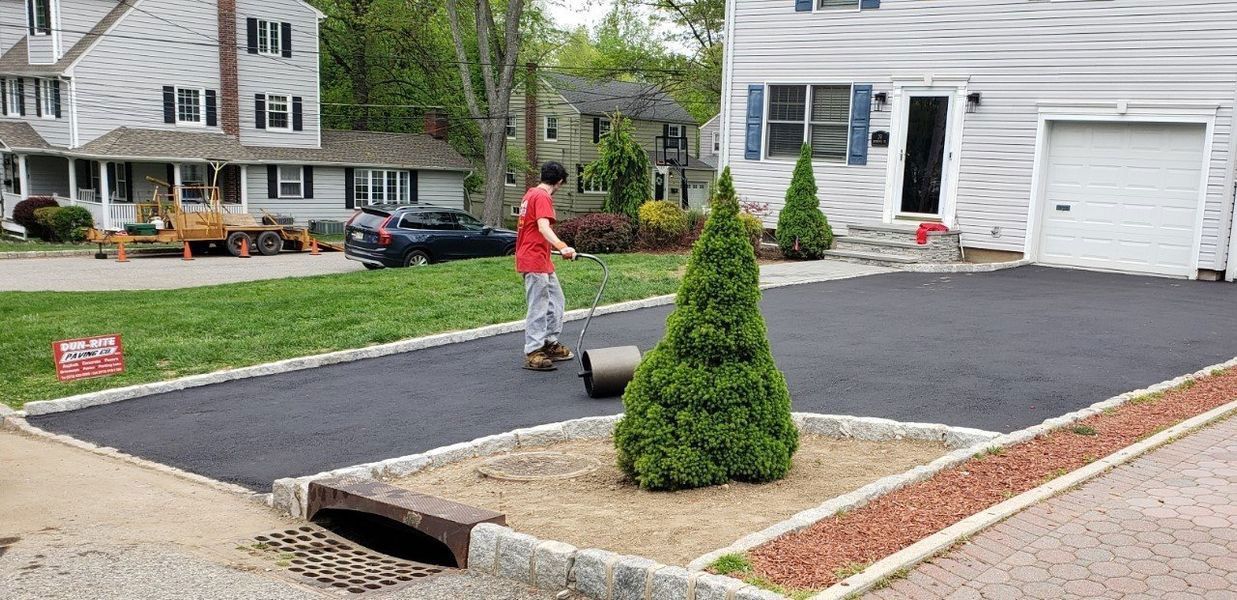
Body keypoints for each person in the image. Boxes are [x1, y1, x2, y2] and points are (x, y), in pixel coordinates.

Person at [516, 161, 578, 371]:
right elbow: (543, 227)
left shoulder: (530, 194)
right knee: (539, 305)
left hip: (541, 259)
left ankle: (549, 343)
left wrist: (554, 250)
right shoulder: (542, 196)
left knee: (556, 302)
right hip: (533, 259)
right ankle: (533, 351)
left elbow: (533, 230)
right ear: (560, 181)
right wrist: (562, 246)